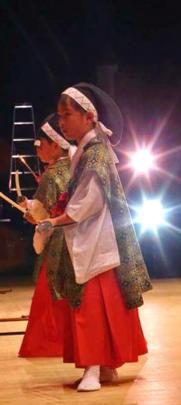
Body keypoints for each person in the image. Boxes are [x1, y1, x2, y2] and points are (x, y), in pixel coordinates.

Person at [39, 83, 152, 391]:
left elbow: (89, 201)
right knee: (97, 304)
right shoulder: (87, 151)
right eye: (60, 116)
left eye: (67, 115)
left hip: (96, 237)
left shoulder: (97, 153)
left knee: (91, 305)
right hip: (91, 236)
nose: (62, 122)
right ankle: (103, 366)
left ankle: (94, 366)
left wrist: (56, 220)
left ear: (88, 116)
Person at [18, 114, 71, 358]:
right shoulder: (76, 166)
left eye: (42, 143)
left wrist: (30, 213)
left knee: (50, 294)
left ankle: (51, 344)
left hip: (57, 241)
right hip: (76, 238)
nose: (38, 147)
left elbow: (42, 213)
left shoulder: (51, 175)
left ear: (56, 145)